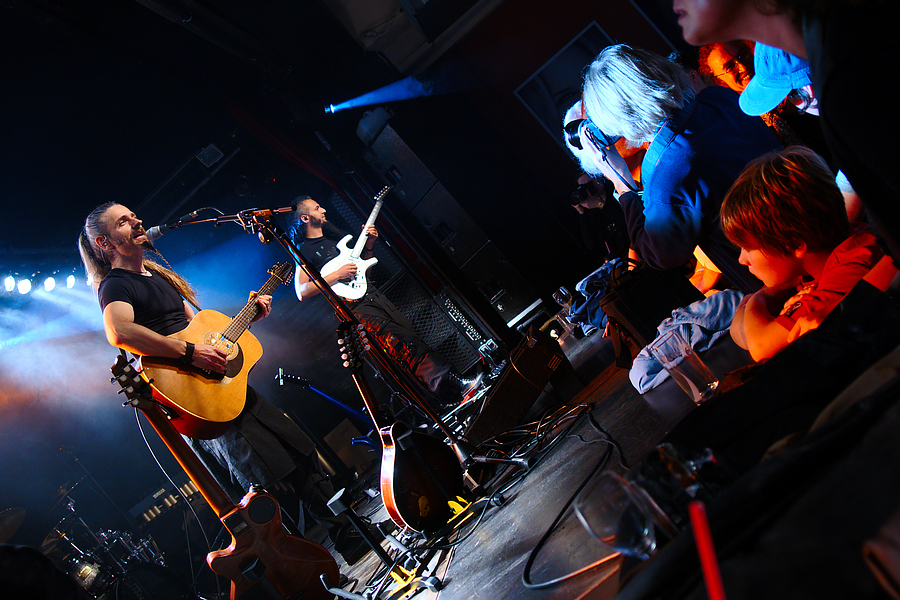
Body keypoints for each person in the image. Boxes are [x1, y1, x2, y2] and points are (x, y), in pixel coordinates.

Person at [77, 202, 369, 564]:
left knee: (298, 451)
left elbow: (203, 334)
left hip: (220, 385)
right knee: (270, 475)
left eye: (133, 215)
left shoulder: (157, 275)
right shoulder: (115, 284)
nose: (136, 221)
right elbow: (118, 331)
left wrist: (246, 319)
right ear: (104, 243)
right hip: (195, 398)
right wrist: (188, 353)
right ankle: (309, 563)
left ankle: (354, 535)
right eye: (123, 222)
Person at [671, 0, 900, 263]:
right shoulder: (826, 59)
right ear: (717, 81)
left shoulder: (845, 73)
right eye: (730, 68)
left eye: (797, 96)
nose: (675, 4)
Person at [581, 44, 783, 293]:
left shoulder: (668, 171)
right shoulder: (719, 98)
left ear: (618, 118)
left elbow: (659, 255)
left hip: (780, 284)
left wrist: (623, 186)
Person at [290, 195, 481, 408]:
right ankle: (455, 384)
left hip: (374, 295)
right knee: (405, 343)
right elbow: (302, 291)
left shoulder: (333, 242)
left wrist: (370, 246)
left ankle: (450, 397)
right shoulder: (302, 249)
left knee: (410, 336)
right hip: (356, 308)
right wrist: (336, 274)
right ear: (305, 218)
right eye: (317, 208)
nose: (323, 209)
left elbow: (365, 276)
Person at [722, 147, 896, 361]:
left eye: (748, 248)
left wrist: (759, 298)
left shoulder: (850, 269)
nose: (741, 259)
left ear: (796, 244)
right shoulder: (829, 257)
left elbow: (759, 346)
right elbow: (740, 332)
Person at [737, 42, 863, 222]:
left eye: (788, 98)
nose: (789, 106)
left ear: (808, 90)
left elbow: (844, 218)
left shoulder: (856, 130)